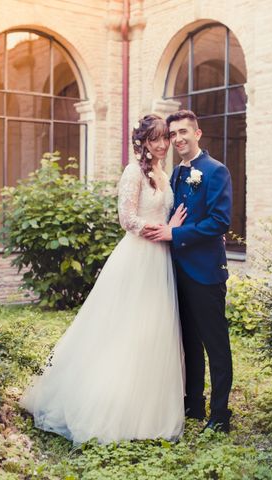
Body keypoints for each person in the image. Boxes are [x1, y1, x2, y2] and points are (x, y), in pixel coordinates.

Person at [20, 114, 188, 445]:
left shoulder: (164, 174)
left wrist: (176, 223)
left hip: (160, 260)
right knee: (124, 328)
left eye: (165, 138)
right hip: (138, 255)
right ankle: (108, 404)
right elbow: (126, 218)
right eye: (155, 138)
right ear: (142, 141)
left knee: (153, 329)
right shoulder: (133, 172)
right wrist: (157, 231)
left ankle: (147, 406)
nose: (162, 144)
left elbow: (162, 212)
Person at [143, 109, 234, 433]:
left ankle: (220, 415)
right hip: (177, 270)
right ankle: (193, 403)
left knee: (215, 344)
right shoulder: (177, 174)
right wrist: (168, 231)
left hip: (206, 272)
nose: (178, 138)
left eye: (184, 132)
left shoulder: (215, 171)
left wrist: (174, 234)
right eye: (173, 134)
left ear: (197, 133)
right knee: (188, 342)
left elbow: (219, 222)